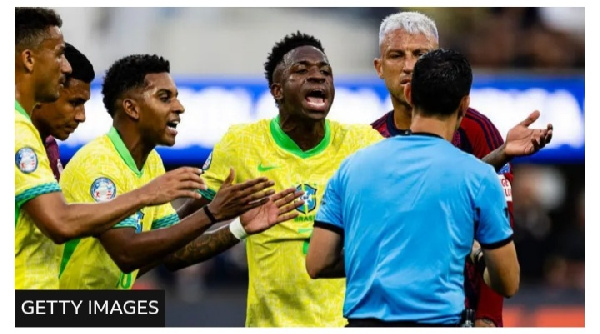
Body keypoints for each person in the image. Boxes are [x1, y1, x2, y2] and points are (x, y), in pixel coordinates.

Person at [306, 48, 520, 327]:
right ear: (464, 105)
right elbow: (509, 281)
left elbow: (317, 262)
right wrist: (473, 252)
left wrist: (378, 254)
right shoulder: (480, 177)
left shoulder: (351, 167)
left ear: (409, 95)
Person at [58, 54, 303, 289]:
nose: (180, 107)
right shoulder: (99, 163)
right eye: (165, 97)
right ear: (132, 108)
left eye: (176, 97)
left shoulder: (151, 162)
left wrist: (239, 227)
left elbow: (174, 253)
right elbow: (126, 253)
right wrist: (212, 212)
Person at [369, 11, 552, 327]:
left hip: (461, 313)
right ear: (379, 67)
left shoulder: (476, 129)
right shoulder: (369, 140)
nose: (409, 65)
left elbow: (498, 228)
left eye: (420, 55)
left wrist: (489, 314)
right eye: (396, 55)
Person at [191, 32, 384, 326]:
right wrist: (238, 228)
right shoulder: (241, 144)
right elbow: (177, 241)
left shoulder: (363, 144)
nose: (318, 77)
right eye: (301, 70)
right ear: (277, 90)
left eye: (325, 71)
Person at [15, 7, 204, 289]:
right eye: (59, 54)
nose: (66, 67)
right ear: (29, 58)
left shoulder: (36, 138)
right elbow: (64, 224)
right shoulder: (24, 134)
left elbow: (162, 249)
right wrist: (146, 195)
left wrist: (213, 209)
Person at [31, 42, 95, 181]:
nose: (81, 117)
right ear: (45, 91)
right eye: (74, 102)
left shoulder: (49, 146)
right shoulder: (18, 142)